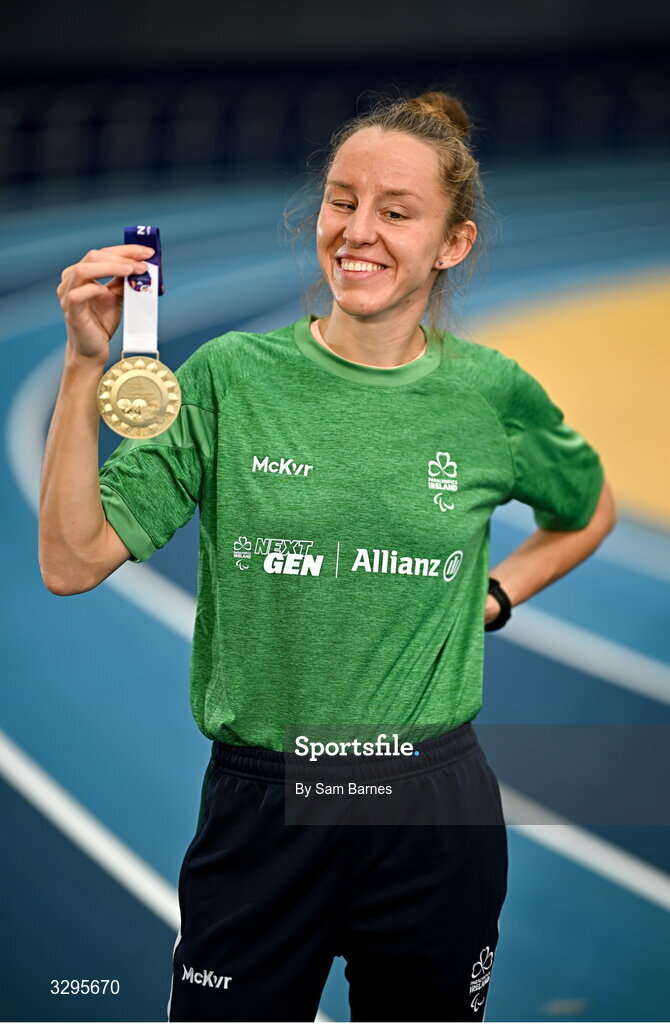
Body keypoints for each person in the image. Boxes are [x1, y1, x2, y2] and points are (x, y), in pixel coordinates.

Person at [39, 90, 617, 1023]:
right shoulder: (230, 376)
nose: (359, 231)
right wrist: (80, 364)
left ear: (453, 243)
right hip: (266, 807)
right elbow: (71, 560)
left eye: (397, 211)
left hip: (432, 804)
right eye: (342, 201)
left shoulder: (492, 394)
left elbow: (587, 511)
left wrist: (499, 595)